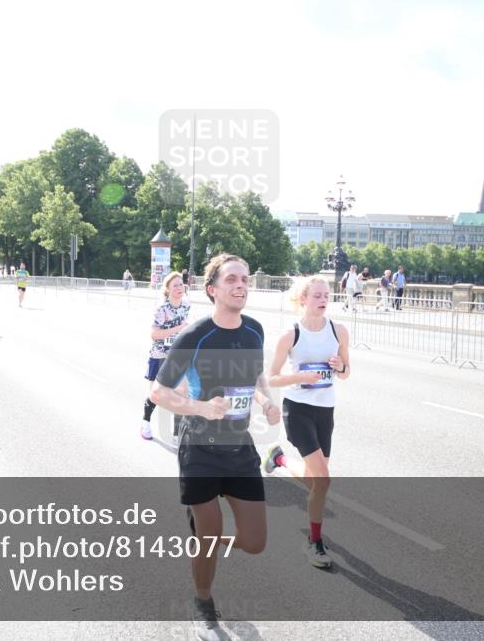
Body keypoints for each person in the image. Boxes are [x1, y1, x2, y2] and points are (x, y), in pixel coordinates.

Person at [150, 253, 280, 639]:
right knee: (208, 535)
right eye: (232, 280)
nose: (242, 285)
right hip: (201, 450)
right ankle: (202, 602)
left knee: (255, 543)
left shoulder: (254, 330)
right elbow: (158, 391)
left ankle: (202, 542)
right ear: (213, 290)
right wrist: (201, 407)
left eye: (245, 279)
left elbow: (256, 375)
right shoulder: (196, 336)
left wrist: (267, 401)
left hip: (239, 449)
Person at [263, 275, 350, 568]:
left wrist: (340, 366)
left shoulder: (339, 331)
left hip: (325, 410)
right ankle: (314, 542)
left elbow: (346, 372)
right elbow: (271, 377)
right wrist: (300, 377)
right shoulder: (291, 334)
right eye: (317, 296)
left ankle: (280, 461)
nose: (324, 300)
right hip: (297, 409)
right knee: (323, 479)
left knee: (317, 480)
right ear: (303, 299)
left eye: (327, 295)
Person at [141, 271, 190, 443]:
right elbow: (154, 335)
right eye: (175, 285)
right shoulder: (162, 309)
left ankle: (177, 434)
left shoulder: (186, 306)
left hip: (177, 356)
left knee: (181, 392)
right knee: (156, 393)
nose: (179, 288)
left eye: (181, 284)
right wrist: (177, 329)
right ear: (168, 290)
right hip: (159, 355)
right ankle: (145, 422)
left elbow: (184, 329)